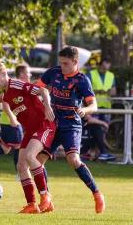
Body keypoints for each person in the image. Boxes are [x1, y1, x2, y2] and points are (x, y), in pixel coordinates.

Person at [35, 46, 105, 213]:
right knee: (37, 161)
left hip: (71, 125)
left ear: (75, 62)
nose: (62, 67)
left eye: (66, 63)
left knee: (73, 160)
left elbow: (93, 105)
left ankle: (97, 194)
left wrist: (85, 110)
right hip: (53, 123)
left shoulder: (82, 80)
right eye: (60, 63)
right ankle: (46, 198)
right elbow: (36, 88)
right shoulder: (53, 72)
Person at [0, 61, 56, 214]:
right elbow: (11, 96)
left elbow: (43, 91)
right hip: (30, 131)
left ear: (4, 74)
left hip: (44, 126)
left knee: (30, 156)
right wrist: (2, 97)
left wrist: (48, 107)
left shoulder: (17, 84)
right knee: (21, 165)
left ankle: (45, 196)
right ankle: (32, 205)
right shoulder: (6, 91)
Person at [85, 58, 116, 161]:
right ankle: (94, 152)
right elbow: (86, 89)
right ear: (99, 66)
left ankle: (99, 152)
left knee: (102, 131)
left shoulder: (111, 75)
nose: (105, 70)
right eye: (103, 68)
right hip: (94, 106)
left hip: (106, 106)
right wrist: (98, 91)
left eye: (107, 68)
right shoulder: (91, 74)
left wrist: (108, 92)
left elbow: (114, 91)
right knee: (95, 130)